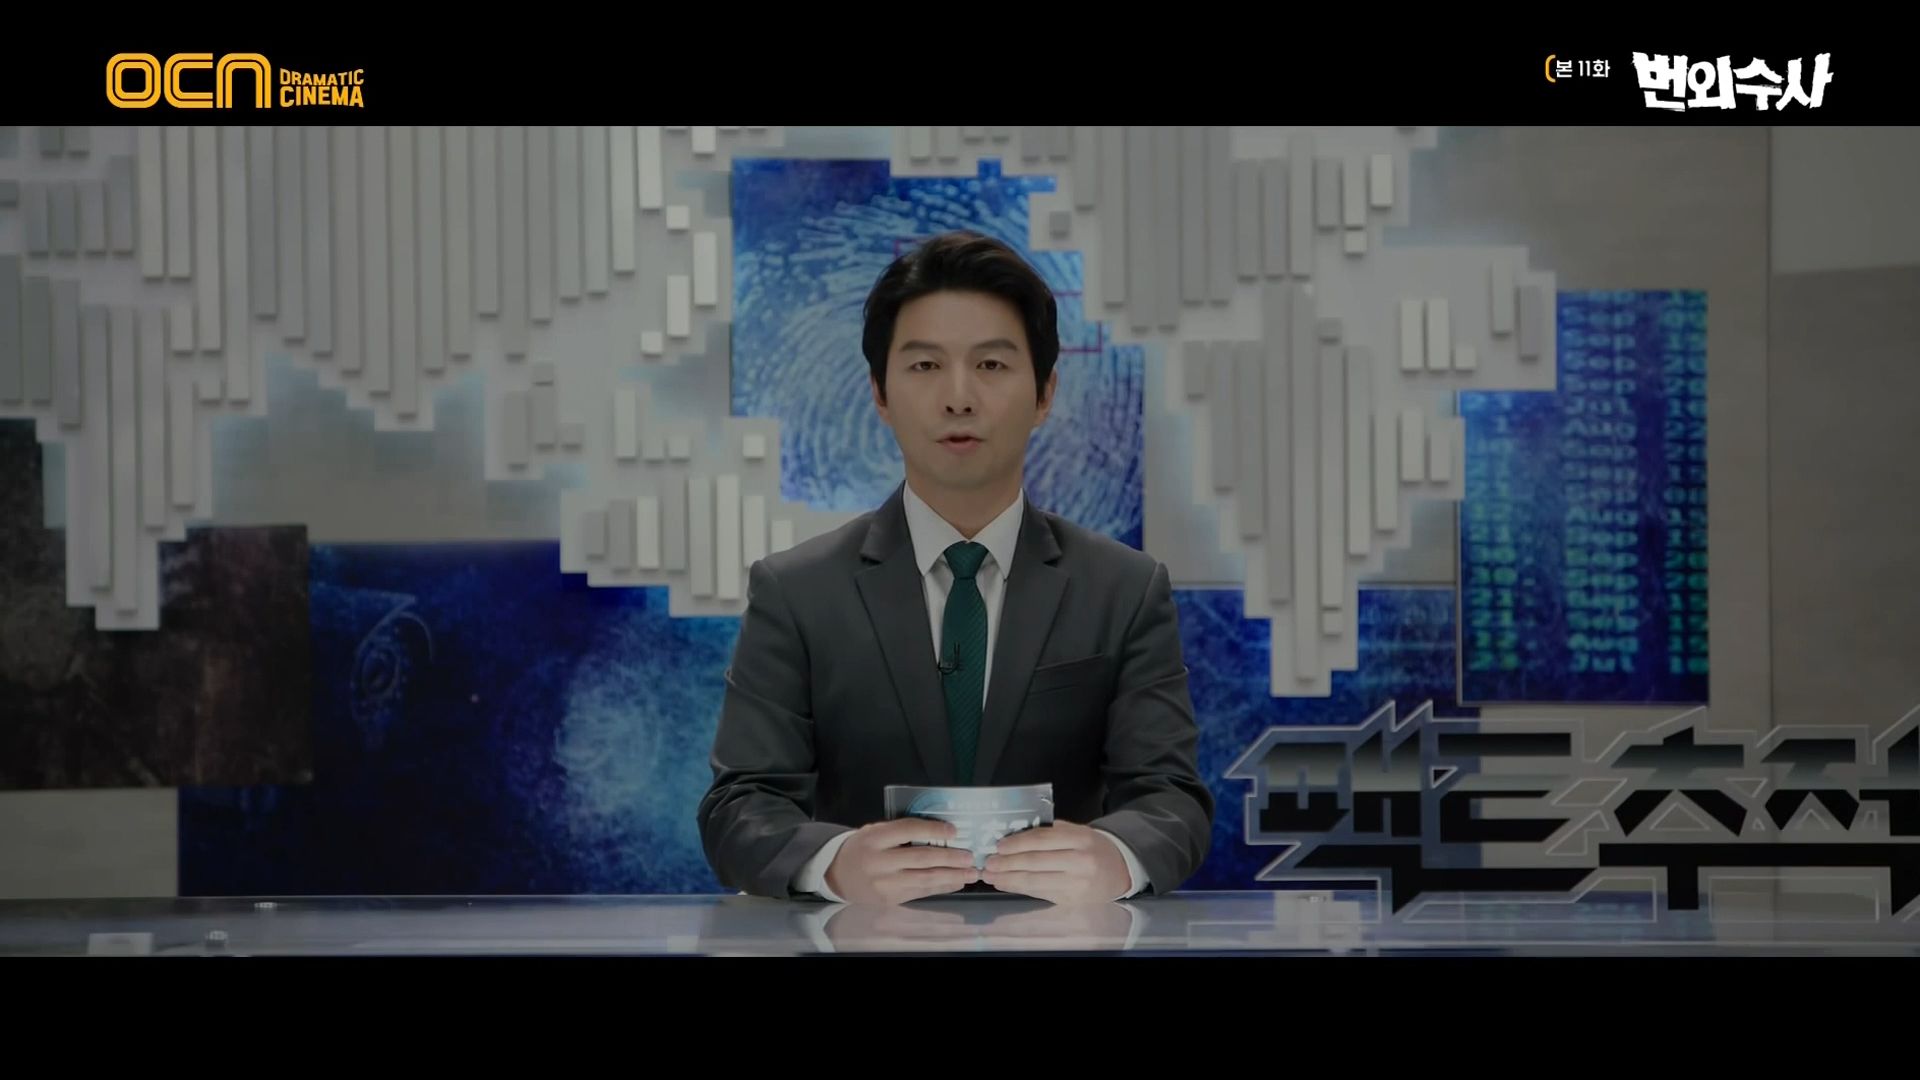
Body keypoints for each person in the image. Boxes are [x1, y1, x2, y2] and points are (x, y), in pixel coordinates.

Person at [696, 230, 1213, 906]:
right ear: (880, 394)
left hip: (1062, 940)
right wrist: (832, 864)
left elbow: (1171, 798)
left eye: (992, 365)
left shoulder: (1124, 590)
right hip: (861, 941)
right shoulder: (797, 593)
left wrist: (1116, 857)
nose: (958, 397)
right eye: (924, 366)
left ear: (1045, 393)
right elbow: (740, 805)